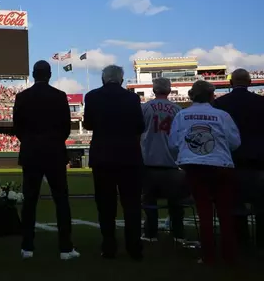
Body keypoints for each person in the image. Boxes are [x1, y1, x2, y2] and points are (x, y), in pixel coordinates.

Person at [13, 60, 80, 261]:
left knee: (30, 201)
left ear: (34, 74)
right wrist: (53, 142)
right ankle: (66, 248)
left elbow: (17, 128)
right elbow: (66, 127)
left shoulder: (22, 97)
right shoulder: (59, 97)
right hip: (54, 153)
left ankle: (27, 247)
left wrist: (31, 142)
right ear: (49, 75)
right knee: (61, 200)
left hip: (31, 152)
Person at [169, 80, 240, 265]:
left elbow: (173, 144)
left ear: (192, 95)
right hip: (221, 165)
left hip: (195, 166)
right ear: (211, 96)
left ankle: (208, 256)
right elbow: (235, 142)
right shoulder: (222, 115)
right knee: (225, 212)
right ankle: (229, 256)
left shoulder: (182, 115)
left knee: (204, 213)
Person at [83, 65, 145, 260]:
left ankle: (109, 247)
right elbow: (140, 126)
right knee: (132, 205)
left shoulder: (92, 96)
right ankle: (134, 248)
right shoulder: (132, 98)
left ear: (103, 78)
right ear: (121, 79)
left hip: (103, 157)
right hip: (129, 157)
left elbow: (88, 124)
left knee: (105, 205)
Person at [212, 68, 264, 248]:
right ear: (250, 82)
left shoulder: (220, 104)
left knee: (235, 203)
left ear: (230, 83)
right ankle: (263, 240)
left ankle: (240, 240)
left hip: (231, 159)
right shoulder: (263, 103)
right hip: (260, 159)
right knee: (263, 204)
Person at [140, 78, 187, 243]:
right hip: (172, 163)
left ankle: (150, 233)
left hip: (149, 161)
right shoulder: (177, 109)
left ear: (154, 90)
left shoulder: (145, 108)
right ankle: (178, 234)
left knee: (149, 201)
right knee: (176, 203)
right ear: (169, 90)